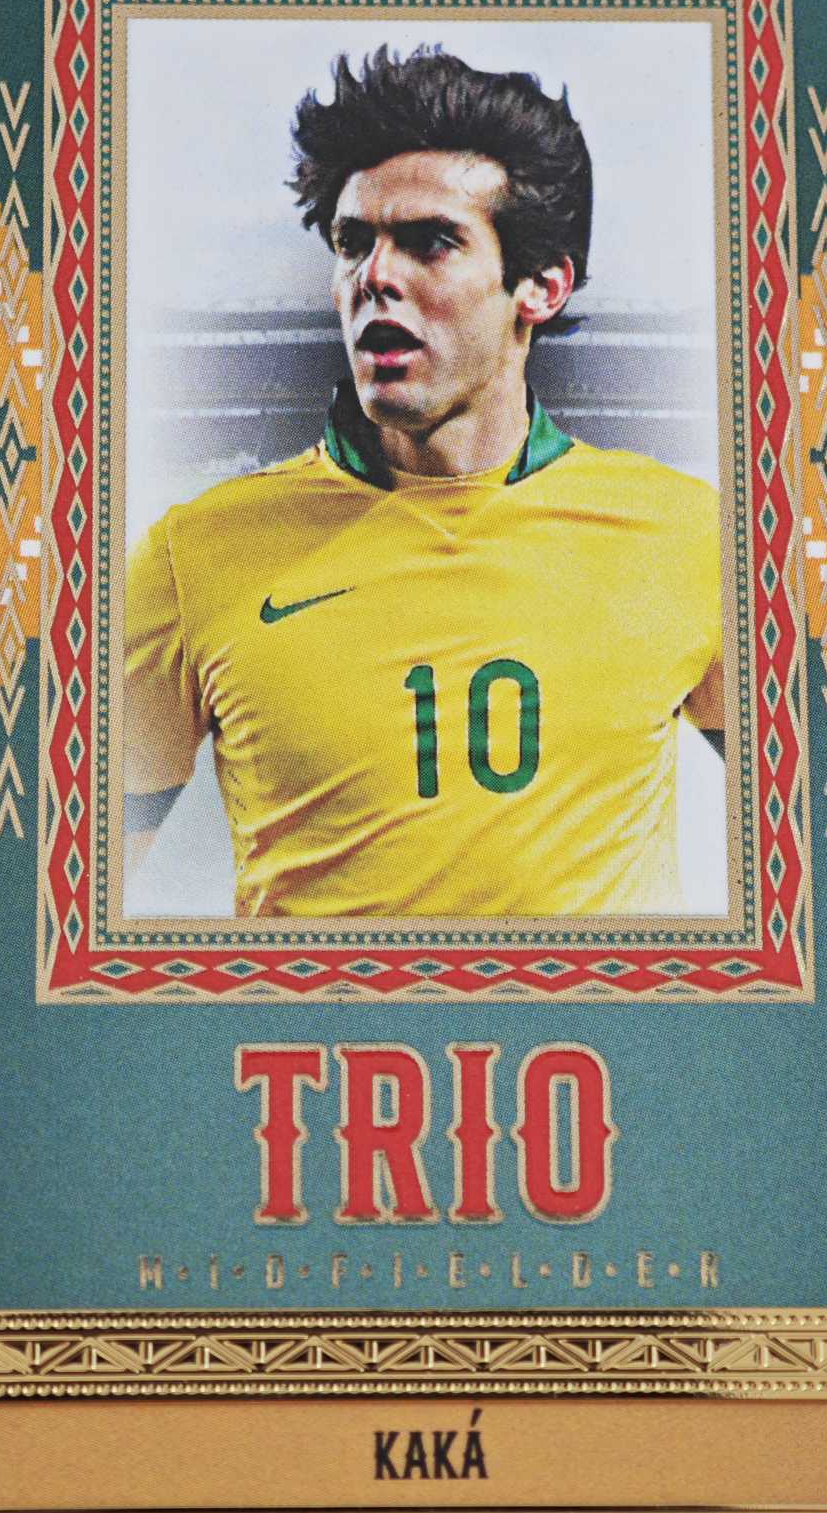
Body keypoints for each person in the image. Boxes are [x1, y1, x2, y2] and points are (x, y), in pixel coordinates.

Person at [124, 46, 723, 917]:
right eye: (352, 244)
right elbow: (66, 909)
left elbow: (825, 857)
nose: (375, 277)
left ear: (541, 285)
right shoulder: (193, 555)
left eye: (430, 243)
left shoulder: (692, 539)